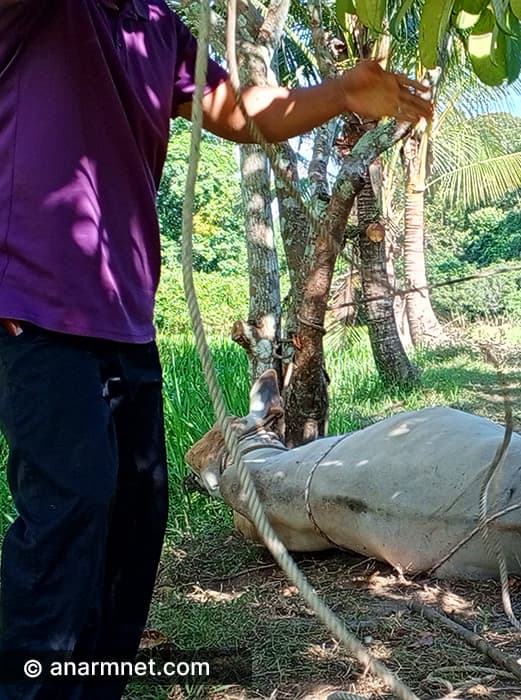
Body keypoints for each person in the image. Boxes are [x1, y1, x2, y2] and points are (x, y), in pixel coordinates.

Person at [0, 2, 432, 698]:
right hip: (33, 306)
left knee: (135, 519)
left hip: (123, 315)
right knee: (70, 509)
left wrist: (341, 93)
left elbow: (238, 112)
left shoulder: (154, 24)